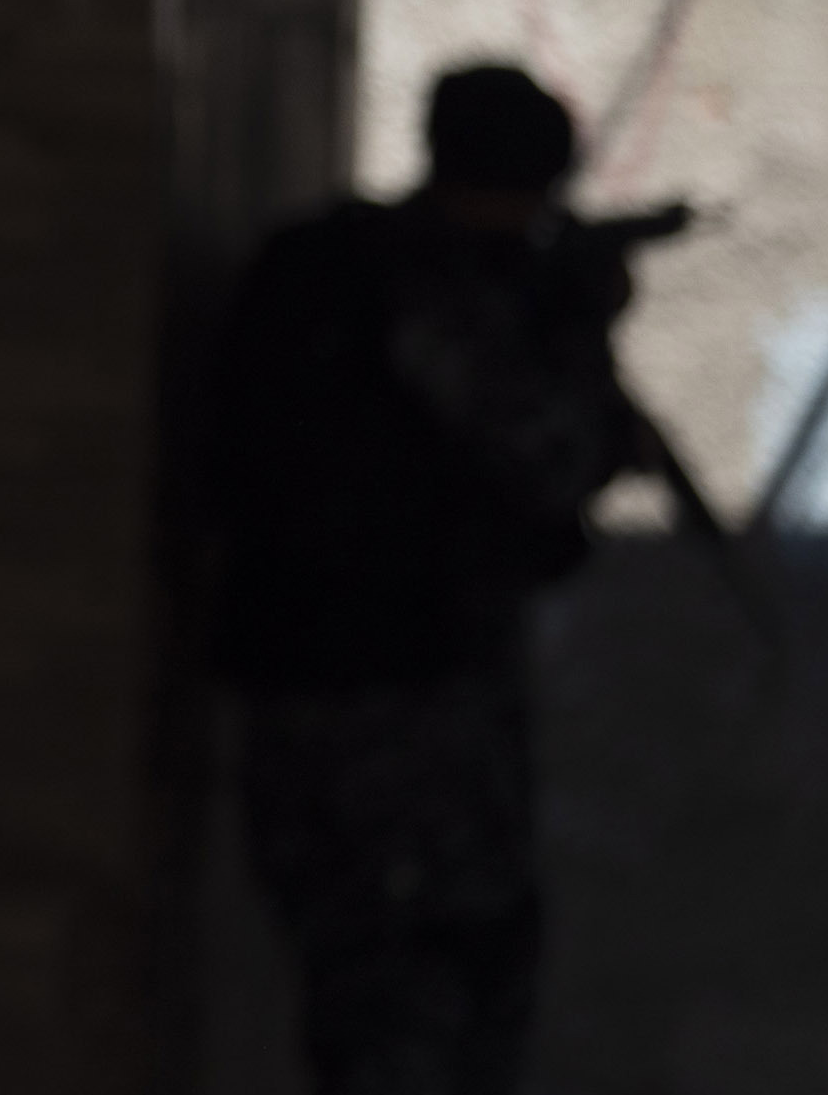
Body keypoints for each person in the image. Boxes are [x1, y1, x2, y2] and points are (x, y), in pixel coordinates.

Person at [207, 63, 648, 1095]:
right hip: (405, 709)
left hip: (298, 693)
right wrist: (579, 326)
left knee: (361, 992)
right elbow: (552, 451)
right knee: (426, 1004)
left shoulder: (316, 258)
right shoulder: (436, 290)